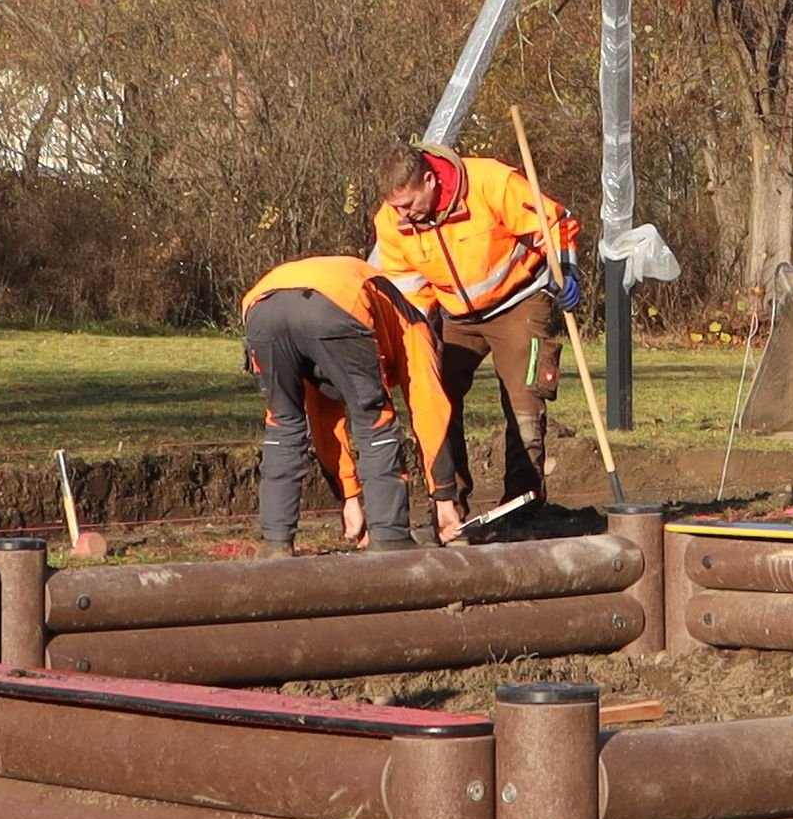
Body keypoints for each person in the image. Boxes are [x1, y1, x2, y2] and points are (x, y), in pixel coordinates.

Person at [372, 144, 581, 509]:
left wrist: (567, 269)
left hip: (520, 298)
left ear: (429, 179)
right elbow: (407, 287)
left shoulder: (490, 182)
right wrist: (419, 337)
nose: (403, 214)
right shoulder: (392, 222)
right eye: (396, 207)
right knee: (435, 397)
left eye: (408, 204)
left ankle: (523, 503)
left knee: (524, 398)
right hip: (455, 315)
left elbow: (555, 223)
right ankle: (450, 503)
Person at [235, 252, 461, 554]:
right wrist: (445, 499)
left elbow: (323, 416)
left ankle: (276, 543)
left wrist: (350, 500)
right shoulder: (415, 328)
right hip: (338, 303)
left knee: (283, 423)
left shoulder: (379, 314)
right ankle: (390, 537)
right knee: (374, 419)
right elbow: (430, 412)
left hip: (261, 309)